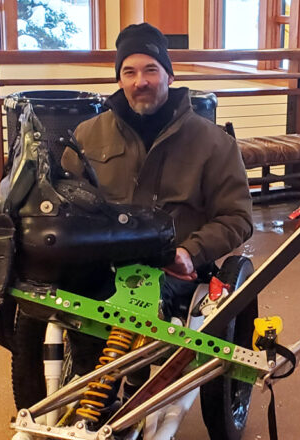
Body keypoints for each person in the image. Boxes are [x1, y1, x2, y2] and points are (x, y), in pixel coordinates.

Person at [60, 22, 253, 319]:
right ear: (120, 80)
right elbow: (66, 207)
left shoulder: (214, 142)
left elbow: (236, 217)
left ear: (169, 75)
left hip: (177, 274)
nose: (141, 81)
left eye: (151, 69)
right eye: (129, 72)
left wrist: (190, 253)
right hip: (103, 266)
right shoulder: (86, 137)